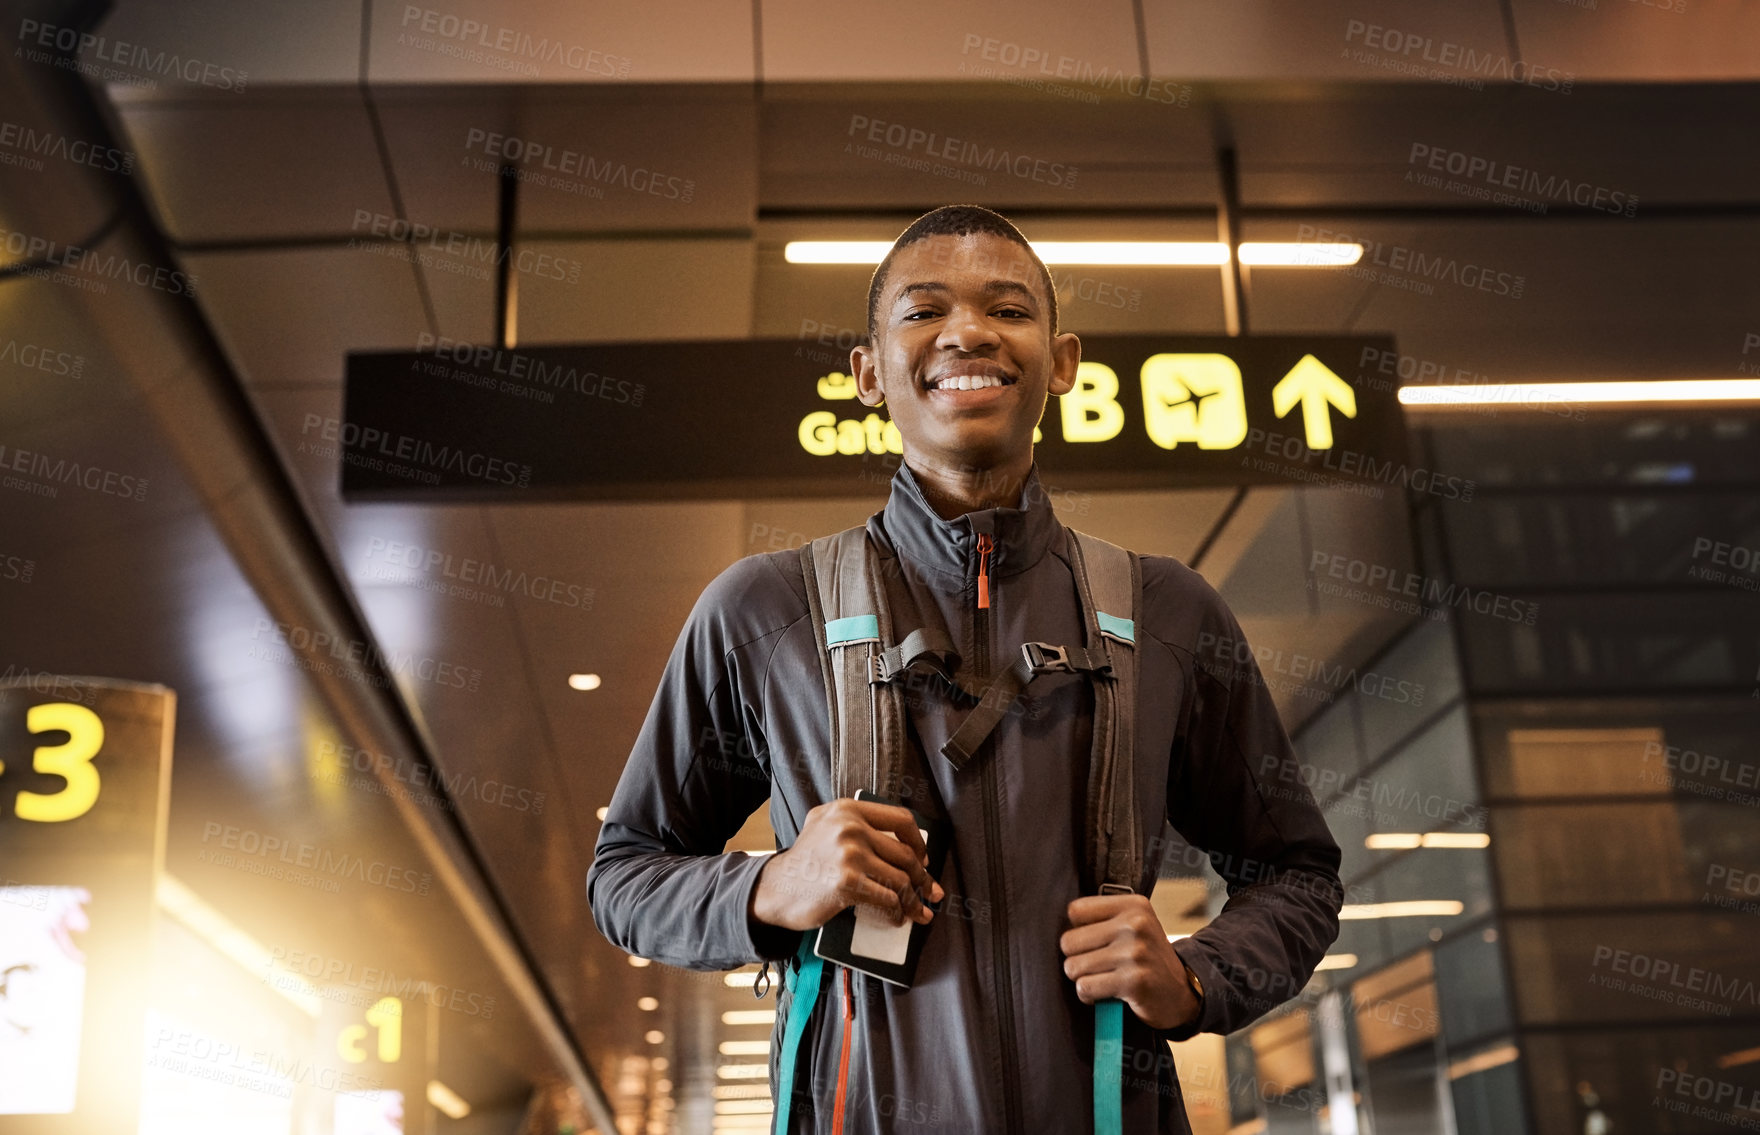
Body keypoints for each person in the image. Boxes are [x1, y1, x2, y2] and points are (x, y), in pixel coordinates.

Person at [588, 205, 1343, 1133]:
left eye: (1008, 308)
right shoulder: (762, 612)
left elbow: (1298, 873)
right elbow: (623, 874)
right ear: (867, 375)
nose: (969, 331)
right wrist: (768, 884)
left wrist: (1196, 975)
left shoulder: (1170, 614)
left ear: (1062, 362)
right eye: (923, 309)